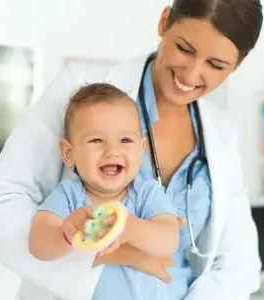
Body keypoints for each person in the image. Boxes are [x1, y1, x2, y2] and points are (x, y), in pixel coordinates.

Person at [0, 0, 264, 299]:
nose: (190, 74)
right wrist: (103, 253)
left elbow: (239, 263)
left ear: (237, 64)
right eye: (185, 49)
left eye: (215, 65)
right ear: (164, 22)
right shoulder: (80, 91)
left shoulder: (222, 133)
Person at [28, 83, 179, 299]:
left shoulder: (146, 194)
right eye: (97, 140)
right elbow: (38, 245)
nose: (113, 151)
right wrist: (66, 233)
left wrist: (130, 228)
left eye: (126, 140)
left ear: (141, 148)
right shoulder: (70, 196)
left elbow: (168, 240)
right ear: (69, 153)